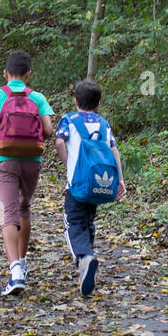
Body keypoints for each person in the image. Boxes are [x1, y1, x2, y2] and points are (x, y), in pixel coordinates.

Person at [0, 50, 54, 296]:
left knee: (8, 211)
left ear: (5, 74)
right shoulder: (38, 97)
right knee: (25, 208)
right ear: (28, 75)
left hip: (3, 159)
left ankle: (14, 272)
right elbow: (48, 130)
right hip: (32, 160)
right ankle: (22, 265)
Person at [54, 78, 126, 297]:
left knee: (73, 223)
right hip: (99, 185)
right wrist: (120, 180)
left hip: (77, 185)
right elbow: (114, 150)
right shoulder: (104, 124)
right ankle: (88, 258)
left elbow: (59, 142)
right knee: (87, 221)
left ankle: (85, 257)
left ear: (75, 101)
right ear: (99, 104)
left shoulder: (69, 120)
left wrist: (68, 164)